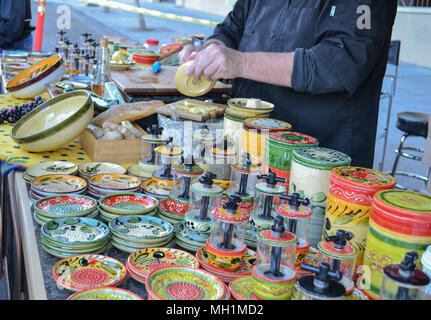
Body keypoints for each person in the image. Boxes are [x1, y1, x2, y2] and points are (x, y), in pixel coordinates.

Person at [180, 0, 398, 168]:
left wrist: (240, 62)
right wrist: (209, 52)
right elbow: (230, 29)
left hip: (320, 154)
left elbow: (336, 65)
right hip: (250, 141)